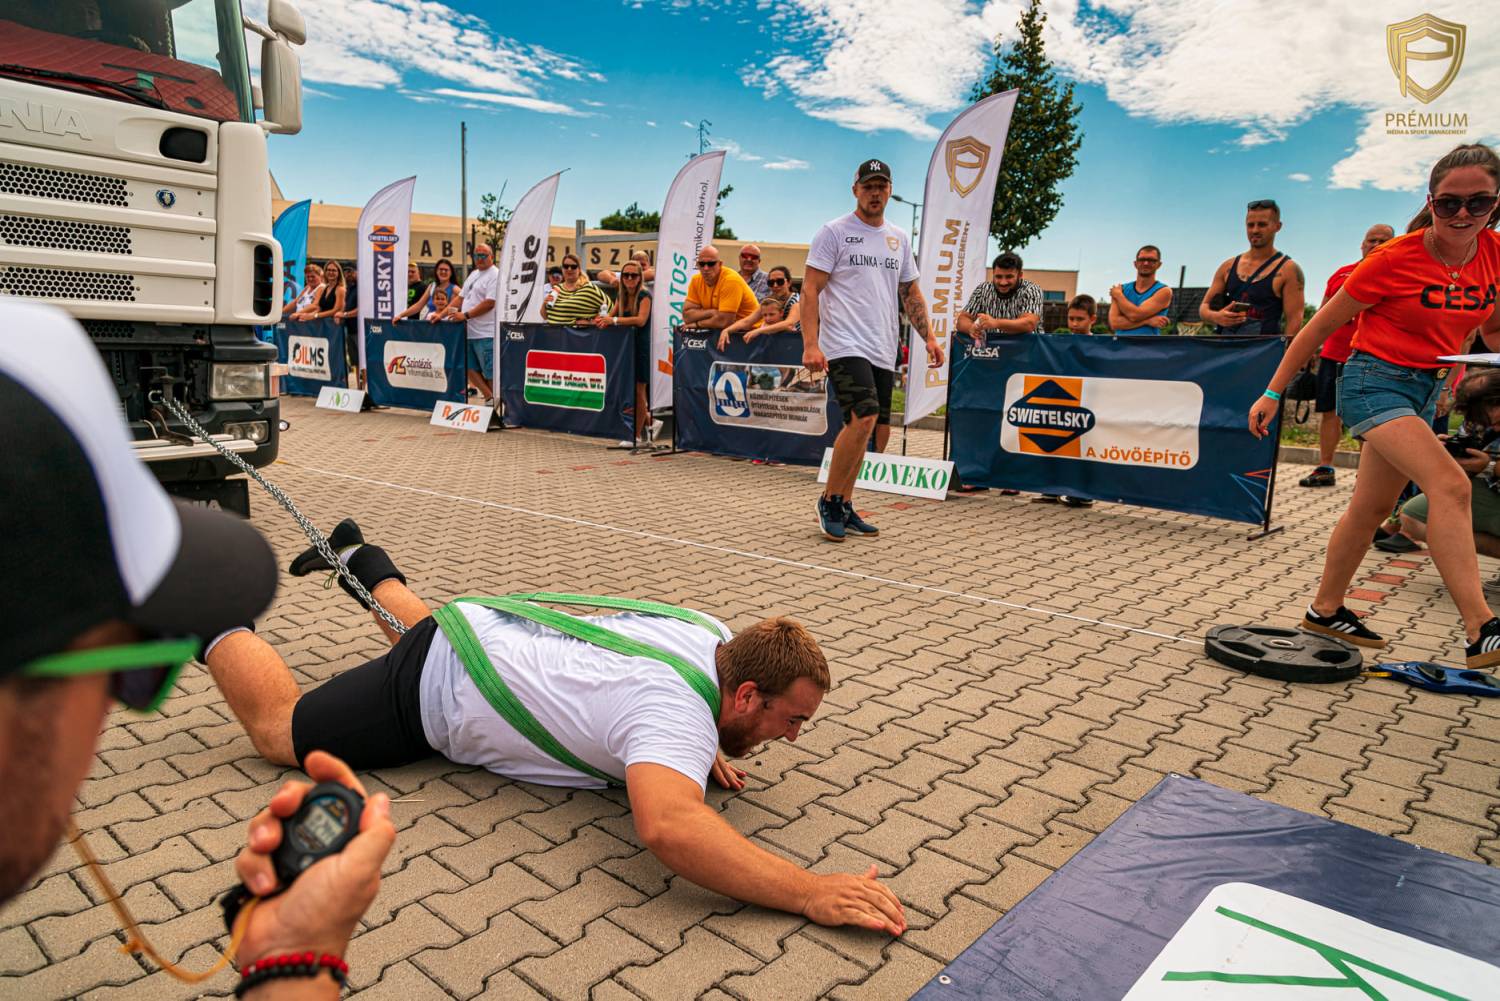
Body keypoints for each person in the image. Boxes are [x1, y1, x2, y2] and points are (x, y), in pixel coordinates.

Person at [200, 519, 908, 937]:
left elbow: (660, 702)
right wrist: (808, 890)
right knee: (278, 731)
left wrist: (707, 746)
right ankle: (199, 609)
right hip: (436, 690)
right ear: (748, 693)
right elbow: (670, 827)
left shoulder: (712, 636)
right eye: (791, 720)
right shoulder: (673, 716)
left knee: (423, 629)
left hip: (481, 628)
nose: (793, 736)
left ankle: (357, 554)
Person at [0, 300, 396, 997]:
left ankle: (297, 585)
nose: (112, 715)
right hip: (478, 649)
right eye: (134, 666)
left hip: (471, 645)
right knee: (282, 727)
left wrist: (291, 954)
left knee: (422, 640)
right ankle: (216, 623)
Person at [1248, 143, 1500, 669]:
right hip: (1374, 382)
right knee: (1450, 486)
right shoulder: (1393, 259)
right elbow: (1318, 327)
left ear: (1495, 203)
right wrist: (1273, 392)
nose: (1462, 214)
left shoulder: (1495, 256)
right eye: (1448, 203)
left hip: (1425, 388)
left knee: (1370, 508)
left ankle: (1324, 609)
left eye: (1478, 202)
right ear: (1430, 202)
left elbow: (1489, 329)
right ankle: (1482, 629)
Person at [803, 158, 942, 540]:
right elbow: (810, 288)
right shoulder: (834, 232)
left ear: (890, 190)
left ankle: (845, 503)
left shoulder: (898, 238)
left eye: (881, 186)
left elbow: (910, 291)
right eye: (868, 186)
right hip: (844, 343)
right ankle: (829, 500)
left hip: (883, 345)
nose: (875, 193)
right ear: (856, 190)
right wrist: (811, 344)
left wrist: (929, 337)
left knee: (872, 429)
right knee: (862, 417)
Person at [1299, 224, 1397, 488]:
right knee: (1329, 412)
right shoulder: (1341, 274)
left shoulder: (1398, 275)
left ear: (1393, 244)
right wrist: (1310, 349)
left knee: (1368, 416)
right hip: (1333, 354)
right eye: (1371, 240)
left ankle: (1365, 475)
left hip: (1371, 357)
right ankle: (1325, 467)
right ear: (1362, 245)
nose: (1376, 245)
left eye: (1383, 240)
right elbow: (1321, 315)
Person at [1394, 369, 1500, 559]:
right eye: (1486, 422)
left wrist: (1488, 466)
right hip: (1492, 489)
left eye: (1497, 421)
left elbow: (1487, 466)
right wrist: (1448, 452)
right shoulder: (1478, 414)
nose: (1493, 427)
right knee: (1415, 517)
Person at [1201, 199, 1306, 339]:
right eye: (1250, 225)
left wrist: (1286, 350)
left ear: (1277, 226)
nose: (1255, 230)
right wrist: (1217, 317)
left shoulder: (1288, 270)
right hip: (1225, 347)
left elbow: (1294, 320)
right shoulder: (1228, 267)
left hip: (1263, 349)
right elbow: (1204, 308)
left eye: (1262, 225)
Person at [591, 260, 660, 447]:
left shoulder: (644, 295)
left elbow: (640, 320)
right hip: (626, 349)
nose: (629, 278)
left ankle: (635, 436)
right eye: (626, 275)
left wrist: (613, 320)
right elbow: (611, 316)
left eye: (634, 275)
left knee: (639, 391)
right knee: (633, 392)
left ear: (640, 278)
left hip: (641, 348)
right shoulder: (622, 295)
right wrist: (600, 321)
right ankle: (650, 425)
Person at [956, 252, 1044, 347]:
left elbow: (1029, 324)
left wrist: (996, 323)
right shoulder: (982, 289)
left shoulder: (1031, 290)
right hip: (993, 351)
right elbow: (962, 320)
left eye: (1009, 277)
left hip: (1027, 350)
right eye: (998, 277)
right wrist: (971, 328)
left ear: (1020, 275)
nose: (1003, 282)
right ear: (993, 273)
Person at [449, 244, 498, 399]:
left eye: (483, 255)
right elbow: (460, 298)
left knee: (490, 373)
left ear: (492, 257)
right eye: (476, 255)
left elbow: (490, 303)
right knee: (468, 367)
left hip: (486, 333)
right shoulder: (474, 274)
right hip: (469, 332)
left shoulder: (495, 274)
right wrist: (442, 315)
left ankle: (497, 404)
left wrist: (465, 315)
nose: (479, 258)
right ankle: (490, 398)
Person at [682, 246, 758, 331]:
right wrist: (712, 312)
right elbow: (686, 316)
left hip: (751, 331)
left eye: (711, 264)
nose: (706, 268)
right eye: (702, 264)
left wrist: (697, 324)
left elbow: (725, 321)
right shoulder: (696, 280)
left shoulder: (731, 280)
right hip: (727, 332)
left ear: (720, 264)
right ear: (697, 265)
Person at [1108, 247, 1172, 334]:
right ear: (1135, 263)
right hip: (1120, 342)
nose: (1146, 263)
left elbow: (1135, 315)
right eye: (1142, 260)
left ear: (1159, 264)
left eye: (1151, 260)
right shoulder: (1122, 289)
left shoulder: (1164, 291)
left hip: (1147, 342)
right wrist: (1147, 321)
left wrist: (1119, 296)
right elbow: (1115, 324)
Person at [542, 253, 610, 325]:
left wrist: (591, 322)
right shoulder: (557, 288)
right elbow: (545, 316)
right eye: (566, 266)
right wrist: (544, 304)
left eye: (573, 267)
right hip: (552, 331)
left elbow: (610, 307)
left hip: (576, 332)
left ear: (579, 269)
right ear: (562, 269)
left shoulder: (588, 288)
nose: (569, 269)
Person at [394, 258, 460, 323]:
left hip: (446, 326)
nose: (443, 272)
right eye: (441, 269)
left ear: (451, 273)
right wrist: (401, 315)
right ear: (436, 271)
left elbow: (461, 306)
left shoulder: (455, 289)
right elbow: (418, 306)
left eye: (446, 270)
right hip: (429, 325)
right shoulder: (432, 286)